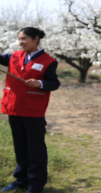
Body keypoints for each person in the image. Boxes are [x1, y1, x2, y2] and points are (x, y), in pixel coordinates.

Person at [1, 27, 61, 193]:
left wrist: (40, 83)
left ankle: (35, 186)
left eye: (24, 38)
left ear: (36, 39)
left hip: (33, 111)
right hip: (14, 108)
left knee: (35, 149)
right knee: (20, 147)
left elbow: (54, 83)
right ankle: (21, 180)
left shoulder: (48, 61)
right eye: (19, 39)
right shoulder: (14, 56)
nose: (21, 42)